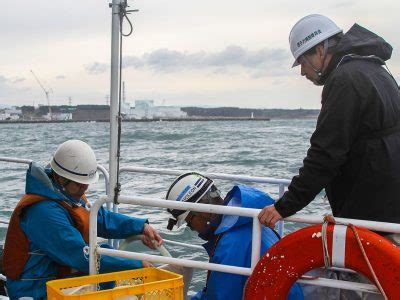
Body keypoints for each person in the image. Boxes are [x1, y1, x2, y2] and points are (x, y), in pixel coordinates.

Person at [258, 14, 400, 232]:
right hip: (390, 205)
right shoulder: (376, 70)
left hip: (372, 211)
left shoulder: (344, 80)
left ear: (320, 50)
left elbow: (325, 154)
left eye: (303, 63)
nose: (303, 72)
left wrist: (283, 207)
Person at [3, 139, 163, 299]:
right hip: (35, 290)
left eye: (86, 184)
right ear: (61, 178)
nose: (84, 188)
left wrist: (141, 227)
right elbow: (79, 255)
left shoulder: (65, 193)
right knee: (110, 265)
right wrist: (136, 265)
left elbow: (98, 218)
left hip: (57, 277)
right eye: (80, 185)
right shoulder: (43, 212)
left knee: (109, 252)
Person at [165, 172, 303, 300]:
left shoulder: (229, 244)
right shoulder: (247, 218)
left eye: (189, 221)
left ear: (202, 211)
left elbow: (222, 295)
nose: (191, 228)